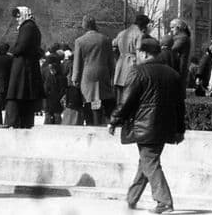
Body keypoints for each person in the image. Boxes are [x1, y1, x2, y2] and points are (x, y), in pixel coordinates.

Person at [108, 37, 185, 213]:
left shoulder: (138, 72)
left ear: (143, 53)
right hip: (166, 126)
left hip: (145, 126)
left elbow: (126, 102)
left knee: (149, 161)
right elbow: (180, 106)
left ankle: (164, 202)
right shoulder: (173, 74)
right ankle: (132, 198)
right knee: (146, 161)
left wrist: (114, 120)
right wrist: (180, 130)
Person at [71, 15, 115, 126]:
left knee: (89, 100)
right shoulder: (105, 39)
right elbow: (111, 61)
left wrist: (75, 78)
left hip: (87, 75)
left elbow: (77, 63)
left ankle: (91, 123)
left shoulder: (80, 41)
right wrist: (112, 75)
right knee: (101, 98)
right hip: (103, 73)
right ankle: (100, 121)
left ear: (84, 25)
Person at [5, 7, 44, 129]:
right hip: (27, 67)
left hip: (23, 68)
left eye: (18, 16)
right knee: (24, 99)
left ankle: (15, 123)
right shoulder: (31, 26)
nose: (17, 19)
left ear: (24, 14)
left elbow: (22, 46)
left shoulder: (27, 27)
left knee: (19, 96)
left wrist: (12, 51)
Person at [112, 14, 147, 99]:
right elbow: (140, 52)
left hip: (120, 64)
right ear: (143, 25)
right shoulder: (140, 35)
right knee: (131, 95)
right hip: (132, 64)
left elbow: (113, 44)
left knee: (120, 96)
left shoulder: (122, 33)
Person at [43, 55, 66, 124]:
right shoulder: (61, 75)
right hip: (54, 98)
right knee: (54, 115)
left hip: (52, 98)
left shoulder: (46, 70)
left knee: (52, 115)